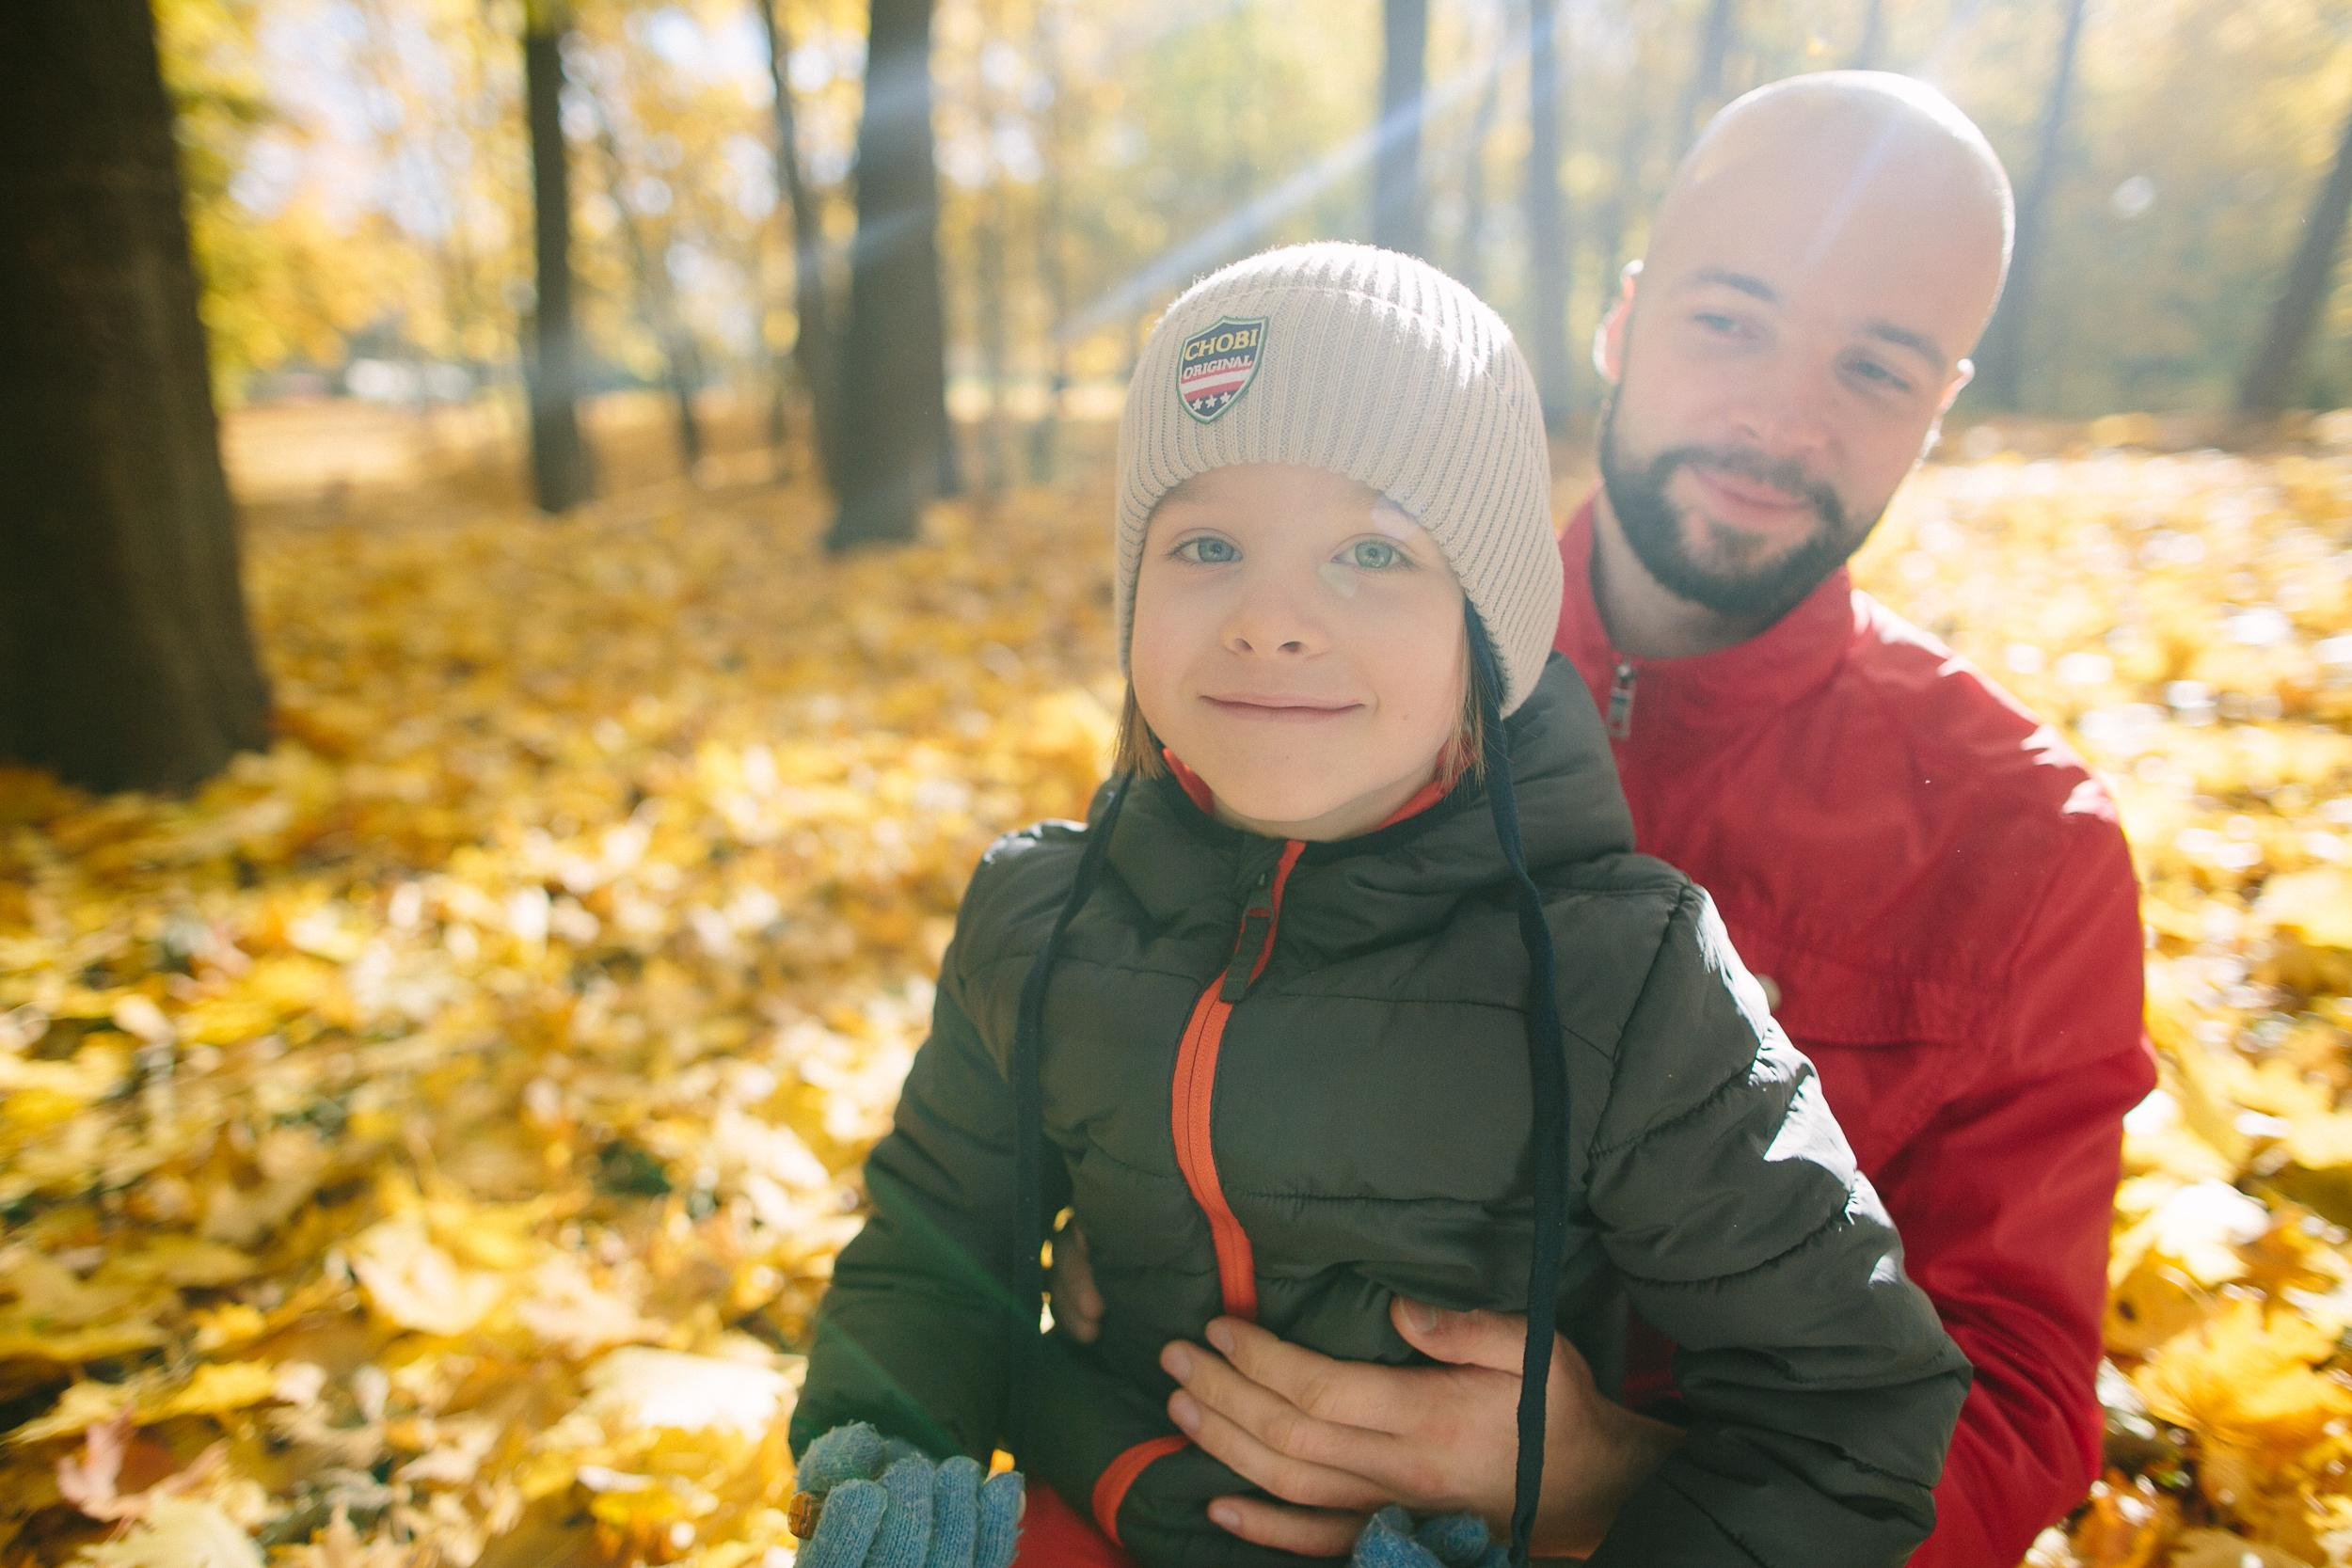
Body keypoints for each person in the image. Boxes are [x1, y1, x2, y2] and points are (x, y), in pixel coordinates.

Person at [786, 241, 1973, 1568]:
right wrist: (879, 1454)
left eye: (1371, 549)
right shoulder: (1042, 917)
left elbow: (1852, 1414)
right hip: (1093, 1507)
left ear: (1490, 629)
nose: (1272, 618)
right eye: (1208, 544)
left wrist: (1579, 1501)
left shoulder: (1620, 980)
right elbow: (936, 1244)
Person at [1107, 71, 2157, 1568]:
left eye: (1876, 368)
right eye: (1730, 321)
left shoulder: (2028, 844)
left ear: (1943, 405)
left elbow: (2027, 1399)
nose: (1781, 415)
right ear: (1622, 319)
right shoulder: (1321, 678)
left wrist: (1612, 1485)